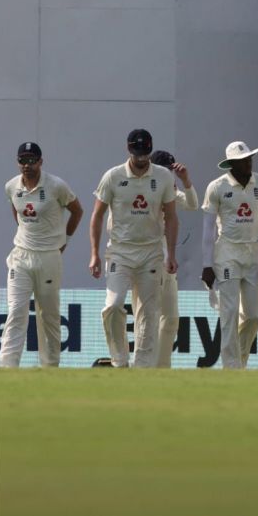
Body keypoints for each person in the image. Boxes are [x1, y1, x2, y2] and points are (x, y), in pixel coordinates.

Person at [89, 129, 178, 368]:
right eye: (137, 153)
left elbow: (171, 216)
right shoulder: (113, 176)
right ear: (129, 150)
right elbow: (97, 215)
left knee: (148, 312)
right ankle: (120, 360)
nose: (141, 159)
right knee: (113, 305)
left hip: (151, 252)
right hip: (120, 250)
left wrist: (171, 254)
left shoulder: (163, 177)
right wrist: (95, 254)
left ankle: (142, 367)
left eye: (145, 153)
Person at [0, 142, 83, 367]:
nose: (27, 165)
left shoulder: (56, 186)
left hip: (49, 258)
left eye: (31, 160)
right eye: (22, 160)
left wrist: (63, 240)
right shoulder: (11, 186)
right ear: (18, 162)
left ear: (40, 162)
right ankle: (7, 367)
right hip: (21, 256)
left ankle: (50, 366)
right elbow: (17, 212)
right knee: (16, 311)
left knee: (49, 315)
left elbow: (77, 211)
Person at [201, 141, 258, 369]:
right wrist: (207, 264)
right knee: (230, 312)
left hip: (254, 252)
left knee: (253, 315)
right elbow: (208, 229)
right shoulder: (217, 187)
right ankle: (231, 366)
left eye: (250, 158)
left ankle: (240, 361)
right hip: (226, 251)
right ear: (231, 164)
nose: (248, 163)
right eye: (243, 160)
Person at [148, 150, 199, 368]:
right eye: (165, 170)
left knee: (170, 317)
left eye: (170, 170)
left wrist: (186, 181)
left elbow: (192, 204)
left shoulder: (170, 188)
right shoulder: (142, 187)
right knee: (150, 315)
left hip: (165, 256)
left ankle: (162, 367)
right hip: (145, 255)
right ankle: (144, 365)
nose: (169, 174)